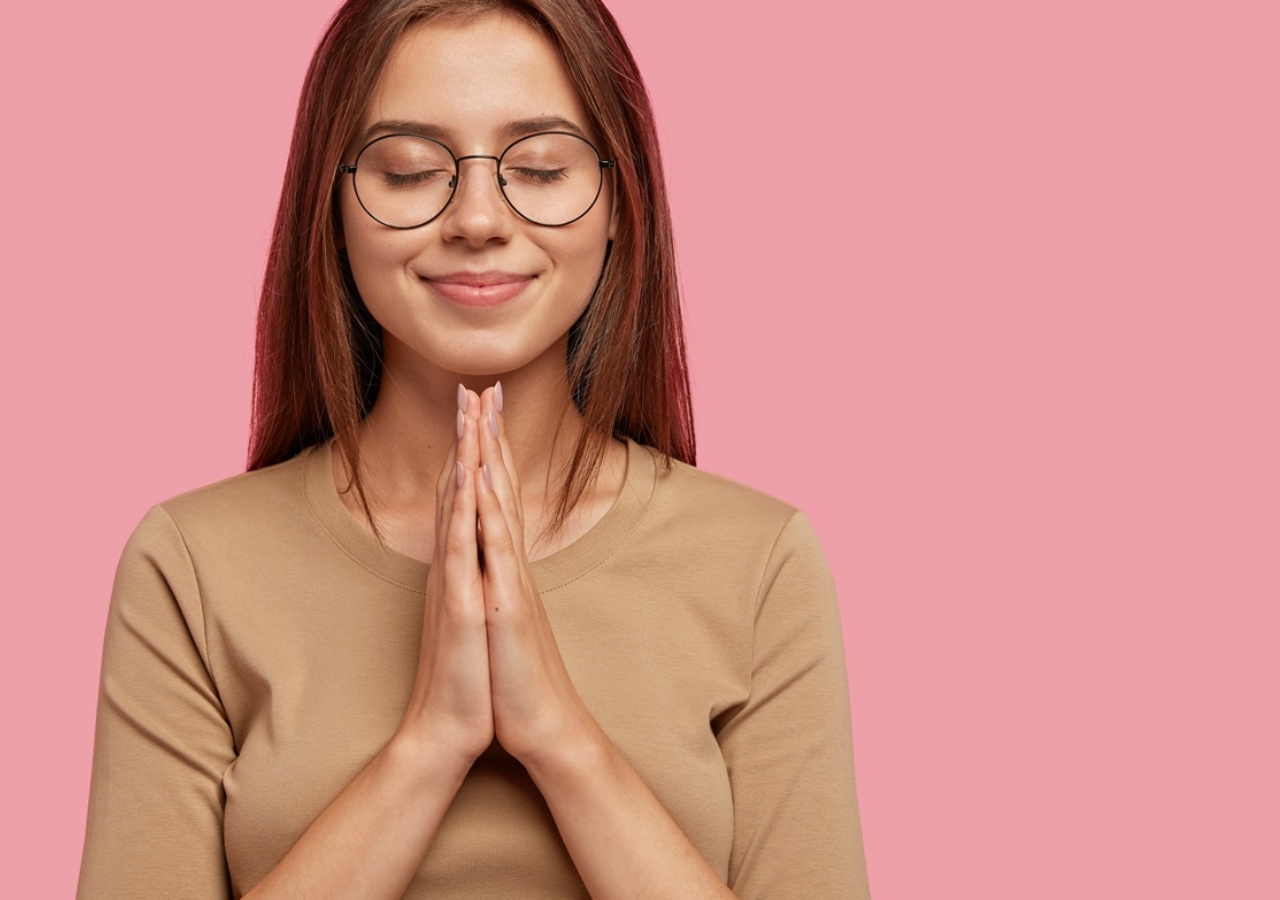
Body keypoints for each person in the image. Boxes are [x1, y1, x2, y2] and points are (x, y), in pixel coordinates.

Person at [75, 0, 870, 897]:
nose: (479, 219)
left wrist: (559, 736)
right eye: (412, 171)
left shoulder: (758, 563)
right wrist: (431, 742)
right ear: (331, 213)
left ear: (620, 203)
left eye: (540, 167)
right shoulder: (193, 565)